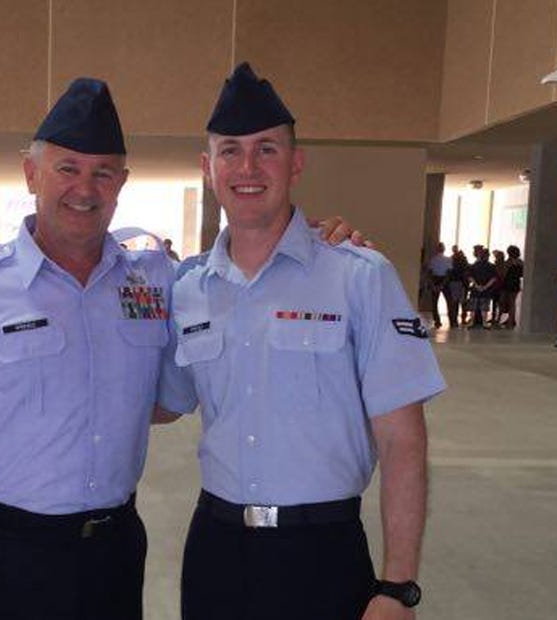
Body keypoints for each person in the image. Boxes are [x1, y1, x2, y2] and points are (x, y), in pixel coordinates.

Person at [0, 77, 367, 620]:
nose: (84, 189)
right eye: (67, 168)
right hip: (3, 553)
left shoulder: (157, 279)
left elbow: (229, 292)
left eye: (103, 173)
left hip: (111, 554)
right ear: (30, 174)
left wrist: (325, 245)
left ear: (122, 183)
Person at [155, 62, 446, 620]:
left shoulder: (359, 276)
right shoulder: (188, 288)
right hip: (215, 549)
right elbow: (164, 405)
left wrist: (397, 587)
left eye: (267, 149)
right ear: (207, 168)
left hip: (323, 552)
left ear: (296, 164)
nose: (247, 166)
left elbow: (403, 441)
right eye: (230, 150)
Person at [467, 245, 497, 328]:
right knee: (484, 307)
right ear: (488, 256)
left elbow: (470, 277)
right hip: (486, 290)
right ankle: (484, 323)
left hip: (475, 289)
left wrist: (476, 285)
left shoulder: (474, 265)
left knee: (473, 307)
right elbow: (493, 278)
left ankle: (471, 322)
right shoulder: (491, 266)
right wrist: (485, 287)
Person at [426, 241, 452, 328]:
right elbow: (448, 273)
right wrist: (443, 284)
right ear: (444, 249)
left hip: (435, 279)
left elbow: (429, 273)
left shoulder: (433, 259)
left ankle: (437, 321)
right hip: (444, 279)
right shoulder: (448, 259)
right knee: (449, 301)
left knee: (434, 302)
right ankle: (452, 320)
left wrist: (433, 284)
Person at [501, 245, 524, 328]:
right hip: (515, 284)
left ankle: (510, 321)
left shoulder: (508, 262)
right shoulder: (521, 262)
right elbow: (522, 274)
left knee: (508, 302)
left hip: (507, 284)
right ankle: (511, 320)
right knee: (512, 303)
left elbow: (504, 273)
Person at [448, 246, 469, 326]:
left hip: (456, 282)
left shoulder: (452, 259)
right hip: (460, 283)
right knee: (461, 303)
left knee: (457, 302)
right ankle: (460, 319)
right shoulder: (462, 259)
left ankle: (457, 320)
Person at [490, 249, 506, 326]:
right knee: (497, 302)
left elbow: (499, 274)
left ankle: (496, 318)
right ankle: (496, 318)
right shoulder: (503, 264)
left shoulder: (499, 264)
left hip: (498, 285)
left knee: (497, 302)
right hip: (499, 285)